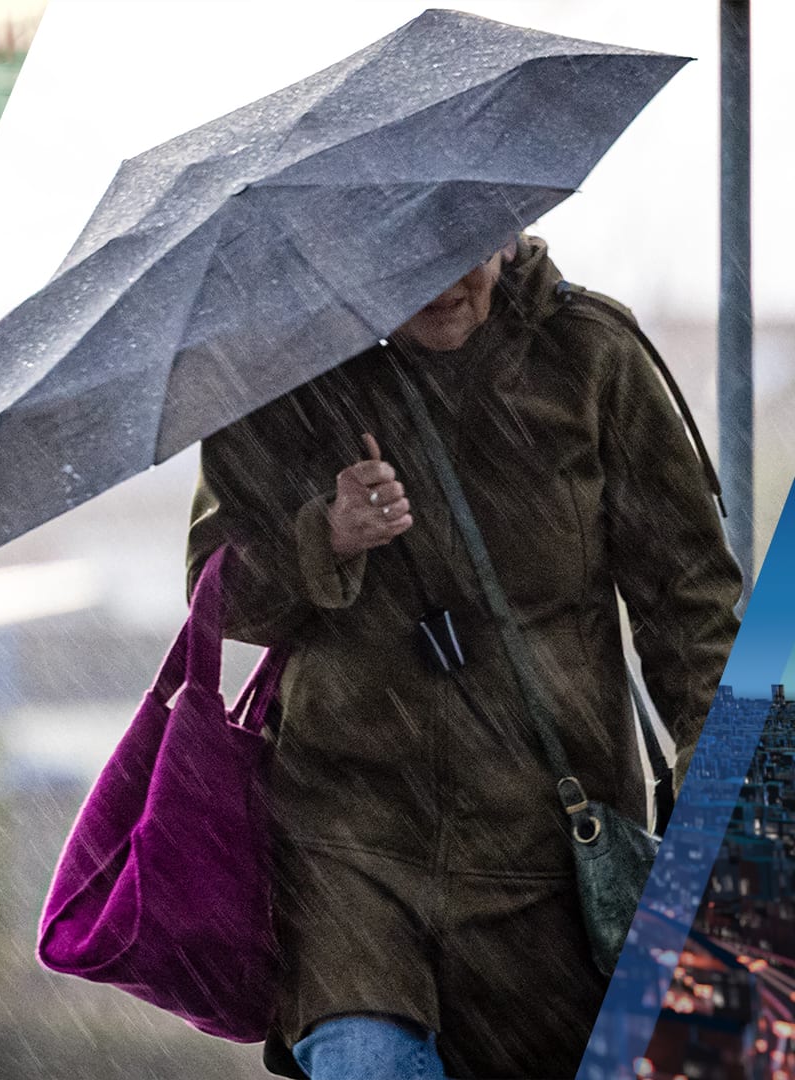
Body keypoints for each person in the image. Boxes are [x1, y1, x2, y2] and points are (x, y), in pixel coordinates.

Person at [185, 234, 742, 1079]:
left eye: (465, 248)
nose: (444, 281)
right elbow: (217, 594)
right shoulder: (283, 379)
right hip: (351, 859)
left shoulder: (592, 356)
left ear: (509, 224)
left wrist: (719, 814)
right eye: (408, 255)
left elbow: (692, 610)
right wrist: (325, 537)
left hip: (558, 871)